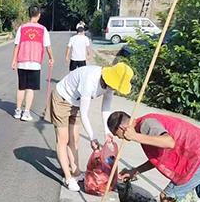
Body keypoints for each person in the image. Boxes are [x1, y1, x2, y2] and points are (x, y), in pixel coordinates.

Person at [44, 62, 133, 191]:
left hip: (76, 103)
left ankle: (76, 172)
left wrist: (107, 132)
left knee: (75, 139)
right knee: (63, 139)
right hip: (62, 99)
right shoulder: (90, 80)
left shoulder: (110, 86)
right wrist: (93, 137)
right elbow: (85, 113)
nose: (114, 89)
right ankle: (68, 178)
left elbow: (106, 109)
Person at [11, 6, 54, 121]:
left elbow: (17, 45)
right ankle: (26, 113)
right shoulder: (42, 29)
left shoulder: (22, 28)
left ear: (29, 14)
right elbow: (47, 46)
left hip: (22, 61)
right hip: (35, 63)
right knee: (30, 88)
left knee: (21, 87)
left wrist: (14, 60)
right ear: (39, 15)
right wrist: (51, 58)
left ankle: (17, 111)